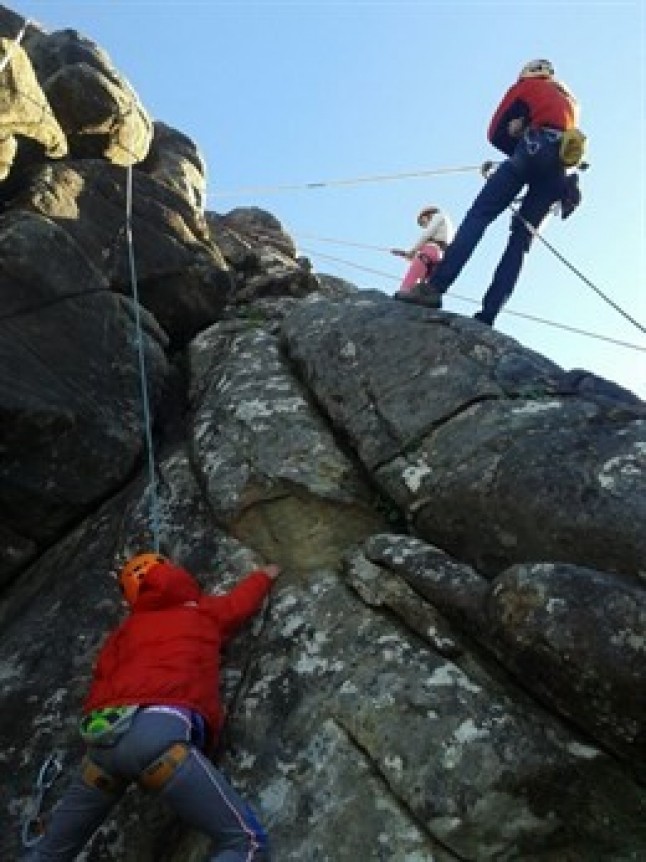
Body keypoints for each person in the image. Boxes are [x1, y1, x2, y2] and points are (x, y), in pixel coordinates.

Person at [24, 552, 281, 862]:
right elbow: (239, 604)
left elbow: (102, 672)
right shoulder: (201, 610)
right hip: (158, 736)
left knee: (48, 854)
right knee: (246, 842)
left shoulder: (124, 632)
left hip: (103, 743)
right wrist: (265, 575)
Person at [399, 59, 583, 325]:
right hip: (557, 172)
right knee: (520, 243)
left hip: (528, 152)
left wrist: (516, 137)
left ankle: (434, 288)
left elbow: (495, 132)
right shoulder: (570, 102)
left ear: (528, 73)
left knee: (479, 216)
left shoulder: (525, 87)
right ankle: (489, 315)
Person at [390, 206, 454, 297]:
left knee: (411, 277)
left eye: (423, 222)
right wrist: (404, 254)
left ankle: (404, 292)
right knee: (426, 285)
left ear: (426, 215)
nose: (424, 226)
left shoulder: (438, 216)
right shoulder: (447, 226)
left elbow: (427, 234)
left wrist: (412, 251)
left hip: (430, 250)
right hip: (439, 255)